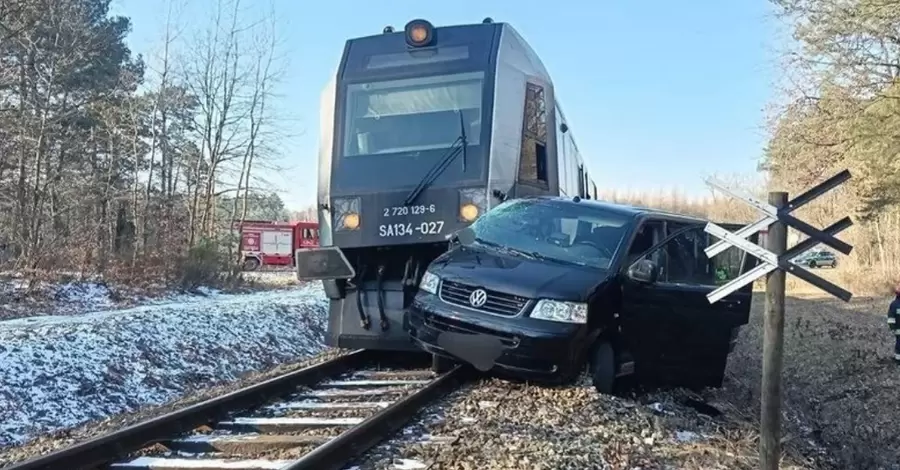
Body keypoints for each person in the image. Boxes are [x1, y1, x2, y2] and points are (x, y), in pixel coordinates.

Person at [889, 284, 900, 364]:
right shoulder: (894, 304)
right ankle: (898, 359)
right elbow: (891, 318)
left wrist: (892, 327)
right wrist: (893, 327)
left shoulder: (894, 304)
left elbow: (891, 318)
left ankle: (898, 359)